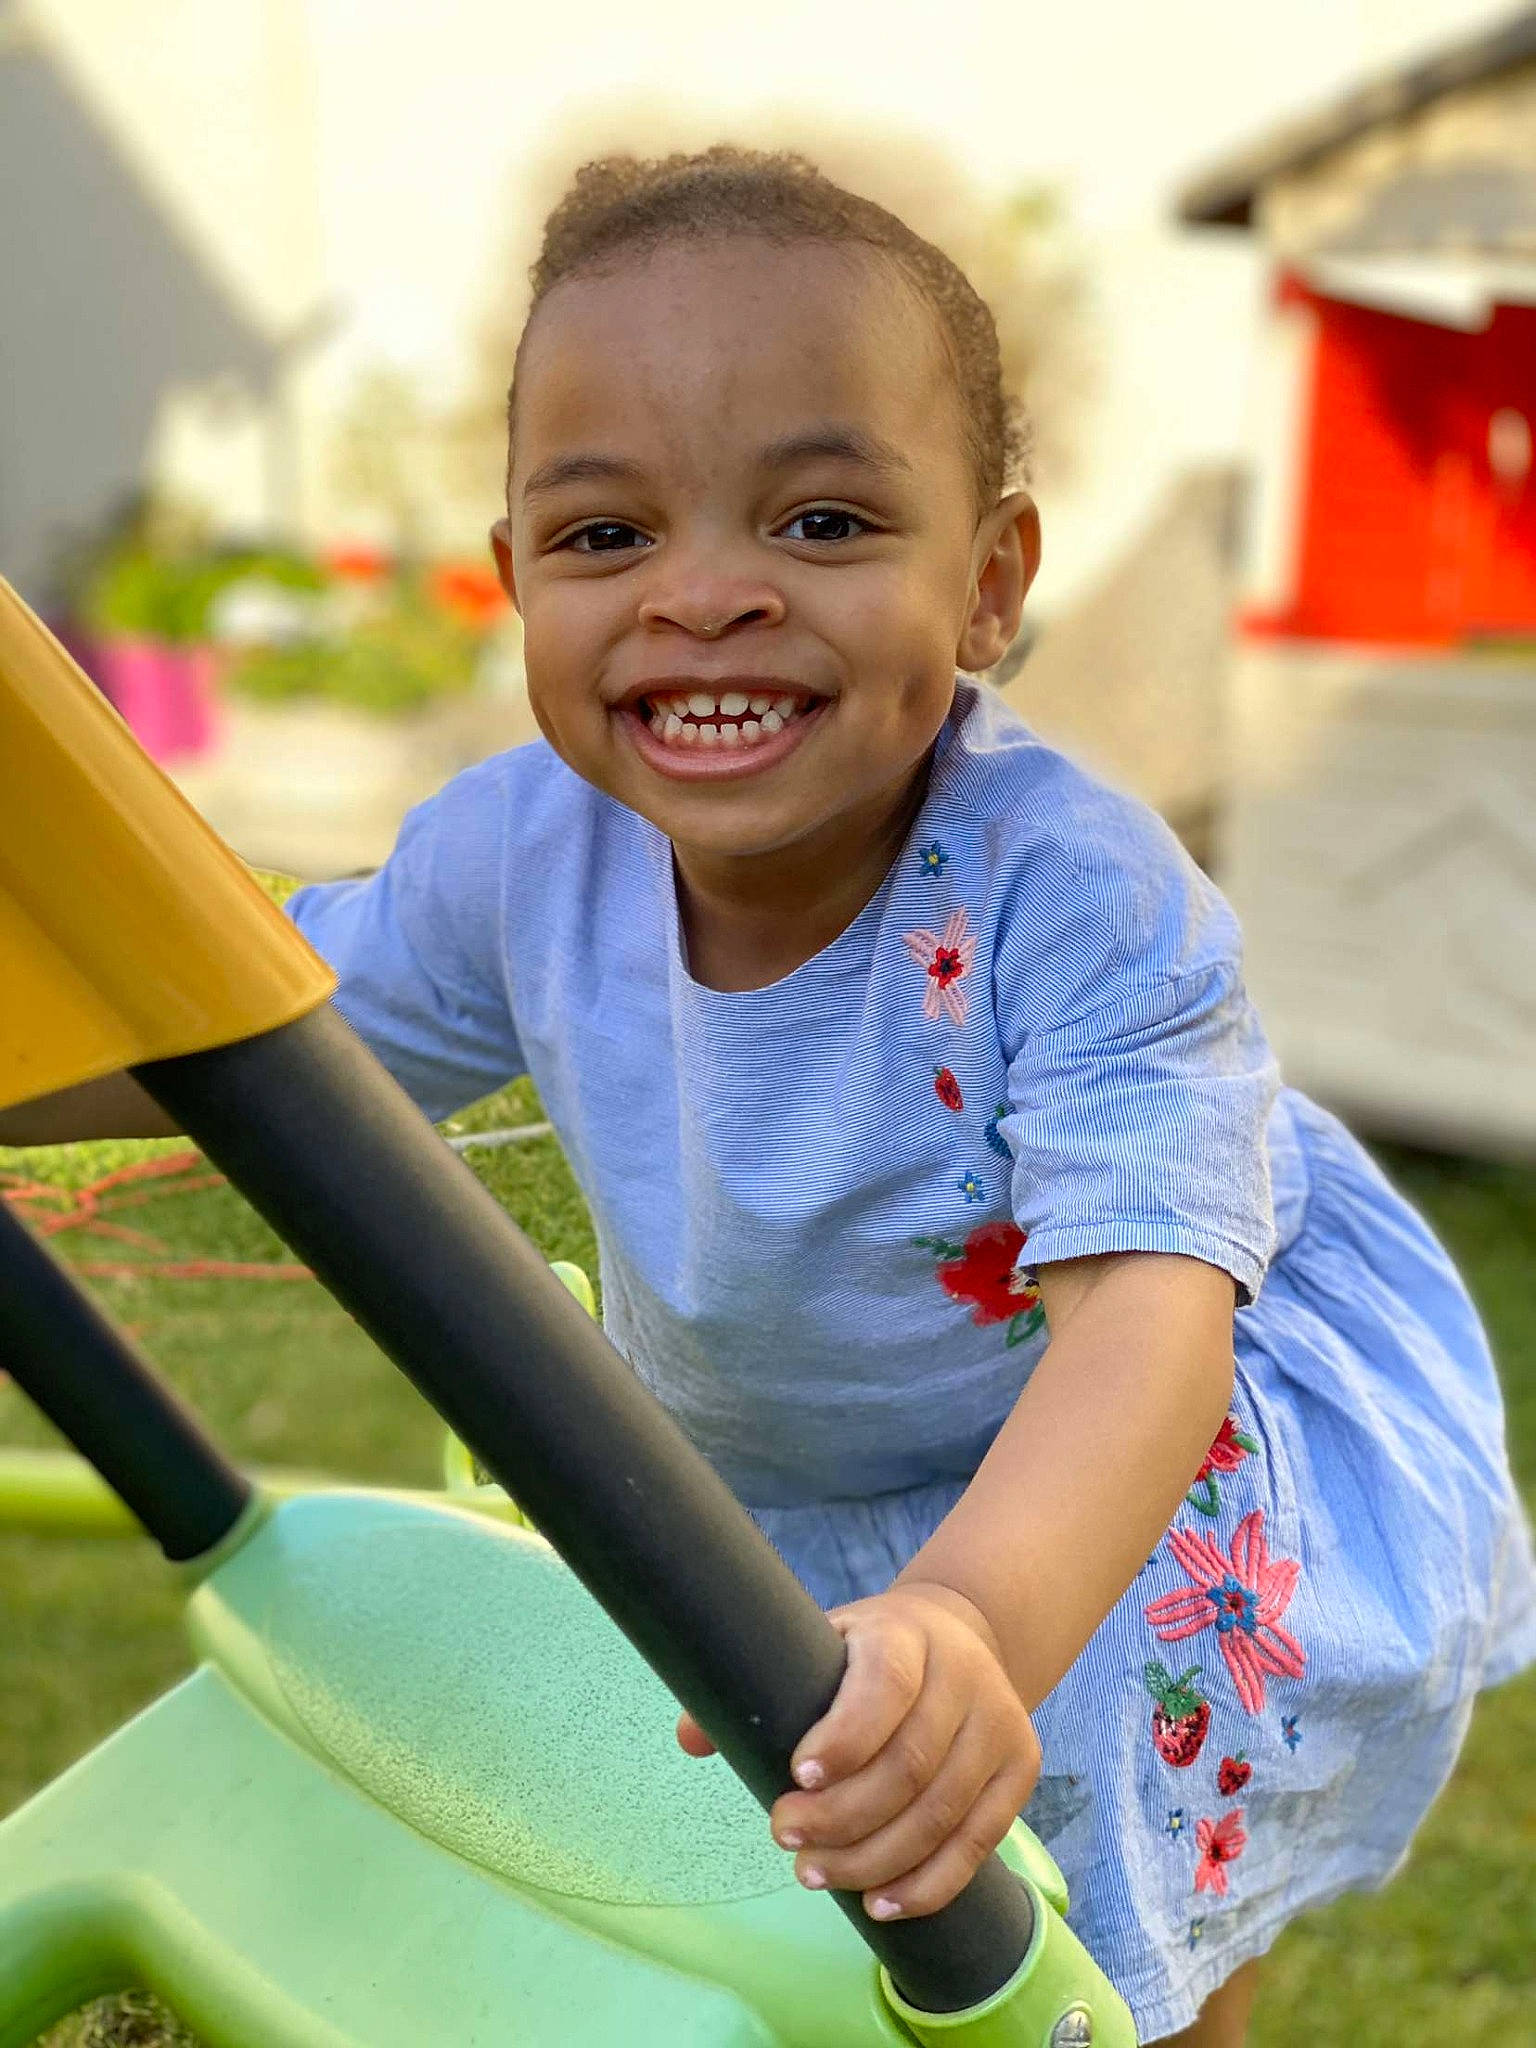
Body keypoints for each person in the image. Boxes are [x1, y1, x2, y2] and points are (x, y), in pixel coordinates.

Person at [7, 149, 1533, 2045]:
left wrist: (977, 1621)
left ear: (986, 587)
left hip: (1107, 1472)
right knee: (814, 1900)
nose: (706, 598)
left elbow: (1150, 1324)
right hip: (783, 1478)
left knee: (1109, 1920)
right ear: (516, 586)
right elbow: (241, 1038)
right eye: (605, 538)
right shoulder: (520, 860)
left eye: (818, 524)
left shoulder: (1081, 897)